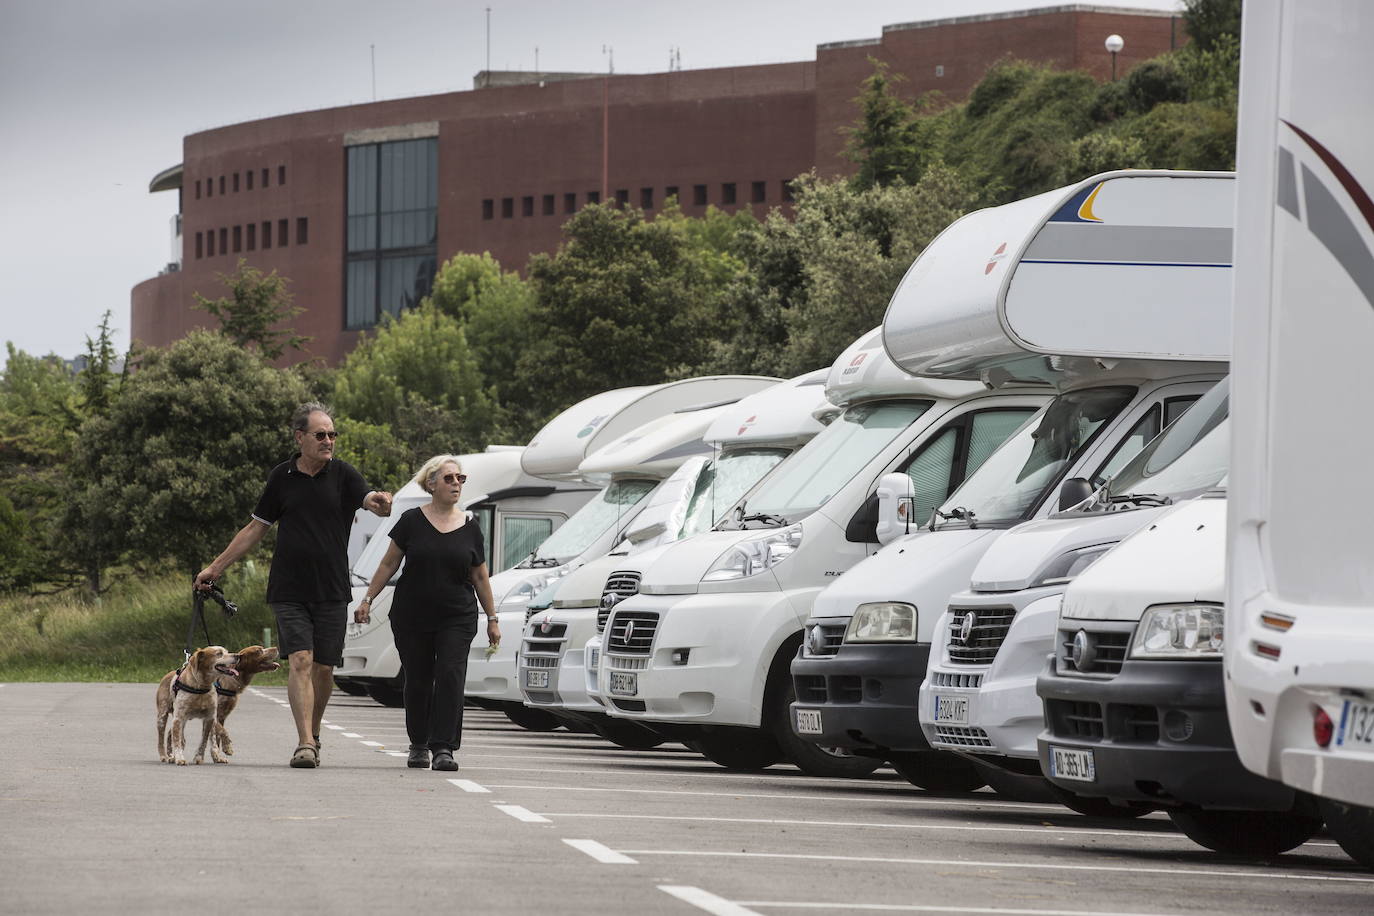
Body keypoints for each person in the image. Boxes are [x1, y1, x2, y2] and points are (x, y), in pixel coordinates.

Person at [195, 402, 392, 768]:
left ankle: (313, 733)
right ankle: (303, 742)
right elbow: (256, 528)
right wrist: (215, 567)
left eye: (333, 434)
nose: (329, 441)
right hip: (289, 587)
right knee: (300, 659)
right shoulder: (281, 477)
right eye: (321, 434)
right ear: (300, 437)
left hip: (332, 588)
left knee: (324, 668)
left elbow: (368, 499)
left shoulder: (344, 475)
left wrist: (378, 503)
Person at [355, 454, 498, 771]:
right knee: (418, 679)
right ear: (431, 484)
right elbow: (388, 563)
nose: (456, 484)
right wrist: (366, 599)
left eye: (460, 478)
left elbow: (479, 576)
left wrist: (492, 618)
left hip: (457, 616)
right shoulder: (411, 520)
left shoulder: (471, 528)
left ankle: (444, 747)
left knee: (450, 676)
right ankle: (419, 743)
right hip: (412, 614)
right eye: (449, 478)